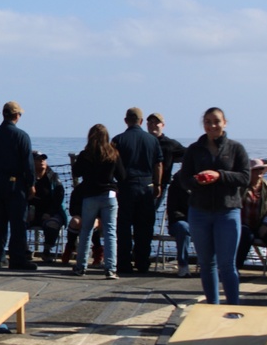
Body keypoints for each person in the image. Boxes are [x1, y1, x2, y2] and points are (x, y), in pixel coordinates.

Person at [180, 107, 250, 305]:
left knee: (227, 264)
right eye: (208, 122)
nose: (212, 125)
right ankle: (212, 307)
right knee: (206, 264)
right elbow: (183, 180)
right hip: (199, 212)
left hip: (227, 212)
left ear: (224, 123)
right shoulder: (194, 149)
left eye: (216, 121)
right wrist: (197, 181)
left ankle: (233, 308)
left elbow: (245, 177)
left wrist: (220, 175)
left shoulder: (236, 148)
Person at [0, 101, 36, 270]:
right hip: (15, 183)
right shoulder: (21, 136)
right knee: (18, 223)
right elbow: (28, 164)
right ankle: (17, 258)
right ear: (17, 116)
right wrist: (31, 184)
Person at [71, 125, 126, 279]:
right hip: (109, 195)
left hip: (89, 195)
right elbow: (122, 175)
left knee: (86, 230)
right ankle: (110, 269)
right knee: (110, 232)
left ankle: (81, 266)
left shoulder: (86, 154)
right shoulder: (113, 153)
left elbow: (76, 172)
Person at [112, 107, 163, 274]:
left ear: (126, 121)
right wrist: (158, 184)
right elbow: (158, 164)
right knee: (145, 227)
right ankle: (142, 262)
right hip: (147, 186)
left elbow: (112, 165)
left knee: (124, 227)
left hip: (126, 186)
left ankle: (124, 263)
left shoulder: (118, 140)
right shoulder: (152, 140)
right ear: (141, 121)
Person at [235, 158, 267, 271]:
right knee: (246, 235)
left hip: (262, 224)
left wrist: (266, 225)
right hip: (243, 224)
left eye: (260, 170)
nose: (259, 173)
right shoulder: (240, 188)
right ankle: (236, 267)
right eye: (255, 170)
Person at [28, 151, 67, 262]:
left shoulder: (53, 177)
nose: (41, 161)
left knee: (52, 224)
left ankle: (47, 251)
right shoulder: (27, 177)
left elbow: (59, 197)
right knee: (18, 220)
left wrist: (49, 212)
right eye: (38, 159)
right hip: (32, 211)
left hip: (51, 211)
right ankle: (24, 250)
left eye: (43, 159)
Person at [147, 112, 185, 209]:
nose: (153, 125)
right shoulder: (143, 141)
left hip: (160, 185)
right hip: (143, 183)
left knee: (151, 213)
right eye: (150, 122)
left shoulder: (170, 144)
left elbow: (189, 154)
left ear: (162, 125)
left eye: (156, 122)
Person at [167, 169, 193, 278]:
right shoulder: (176, 185)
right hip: (179, 222)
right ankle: (183, 265)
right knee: (183, 227)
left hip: (200, 221)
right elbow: (173, 210)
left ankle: (212, 266)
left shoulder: (203, 184)